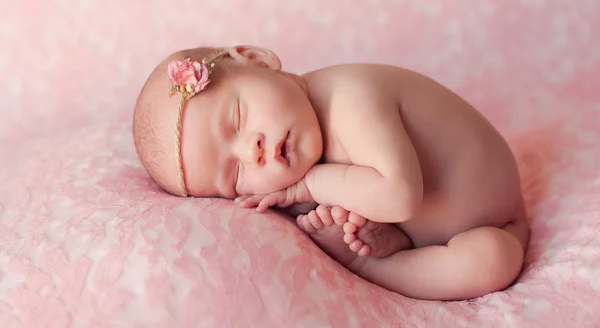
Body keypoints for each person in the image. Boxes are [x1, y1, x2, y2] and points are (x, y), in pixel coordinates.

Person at [133, 45, 529, 300]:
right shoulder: (298, 161)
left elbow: (400, 196)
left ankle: (373, 269)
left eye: (238, 117)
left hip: (498, 217)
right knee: (487, 262)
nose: (251, 152)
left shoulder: (350, 98)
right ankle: (395, 249)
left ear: (257, 60)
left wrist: (310, 184)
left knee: (498, 257)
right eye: (235, 175)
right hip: (464, 240)